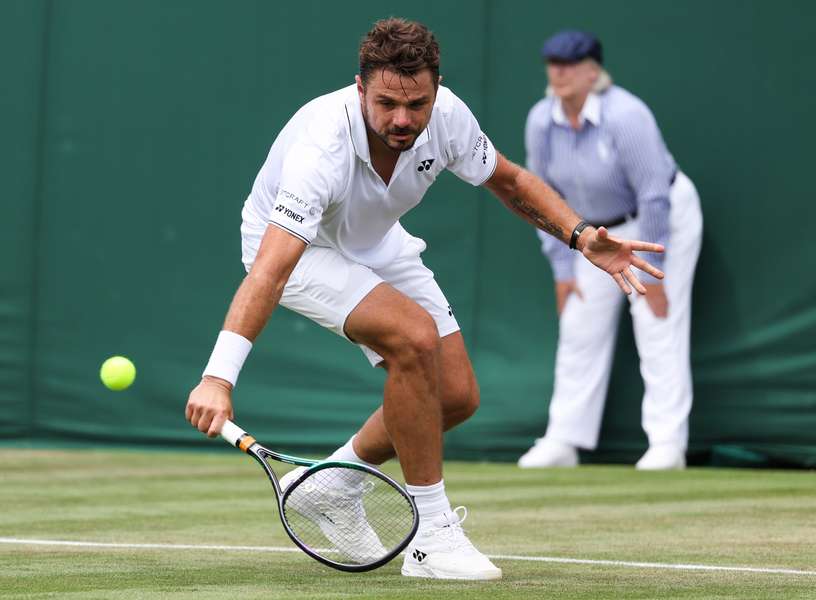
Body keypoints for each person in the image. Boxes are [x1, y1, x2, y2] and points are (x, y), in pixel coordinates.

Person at [184, 19, 663, 580]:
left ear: (436, 90)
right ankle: (430, 536)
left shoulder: (449, 117)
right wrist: (219, 376)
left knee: (455, 396)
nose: (403, 119)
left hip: (374, 241)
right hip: (295, 250)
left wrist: (582, 237)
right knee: (414, 336)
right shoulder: (321, 147)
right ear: (360, 89)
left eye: (418, 103)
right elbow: (270, 270)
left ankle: (328, 486)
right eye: (387, 103)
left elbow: (508, 181)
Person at [517, 31, 703, 471]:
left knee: (655, 319)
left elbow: (654, 195)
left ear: (593, 71)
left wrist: (655, 271)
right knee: (580, 323)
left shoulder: (626, 115)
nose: (559, 71)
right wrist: (563, 268)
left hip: (657, 220)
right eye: (553, 63)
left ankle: (667, 445)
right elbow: (539, 197)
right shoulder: (541, 121)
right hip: (592, 235)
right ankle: (563, 438)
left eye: (571, 62)